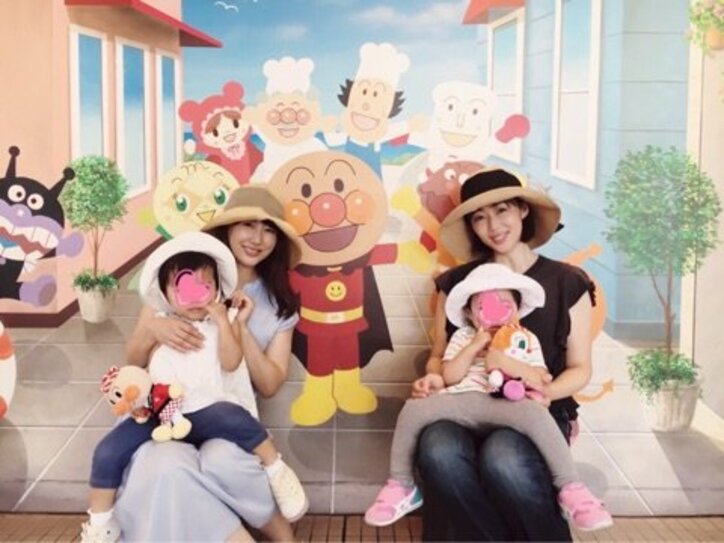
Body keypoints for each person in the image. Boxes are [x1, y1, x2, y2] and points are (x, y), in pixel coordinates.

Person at [413, 167, 603, 541]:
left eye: (502, 211)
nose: (493, 227)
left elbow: (580, 368)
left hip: (536, 409)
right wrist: (433, 376)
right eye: (479, 218)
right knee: (437, 448)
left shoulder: (568, 282)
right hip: (465, 403)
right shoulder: (457, 284)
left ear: (523, 210)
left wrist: (546, 391)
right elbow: (438, 355)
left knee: (503, 456)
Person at [80, 232, 308, 543]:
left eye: (267, 229)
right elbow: (133, 360)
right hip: (163, 413)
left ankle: (276, 478)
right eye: (247, 225)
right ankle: (100, 524)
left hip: (212, 412)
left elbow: (252, 374)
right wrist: (153, 329)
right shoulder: (161, 306)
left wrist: (231, 323)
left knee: (224, 451)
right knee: (138, 457)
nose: (257, 237)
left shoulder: (253, 310)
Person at [364, 263, 612, 532]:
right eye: (484, 307)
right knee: (413, 409)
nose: (496, 313)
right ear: (470, 315)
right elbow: (450, 377)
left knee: (537, 415)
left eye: (505, 305)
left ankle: (571, 489)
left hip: (507, 404)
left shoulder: (525, 338)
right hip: (461, 401)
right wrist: (473, 348)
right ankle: (401, 484)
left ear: (517, 310)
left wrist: (505, 361)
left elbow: (539, 378)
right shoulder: (463, 336)